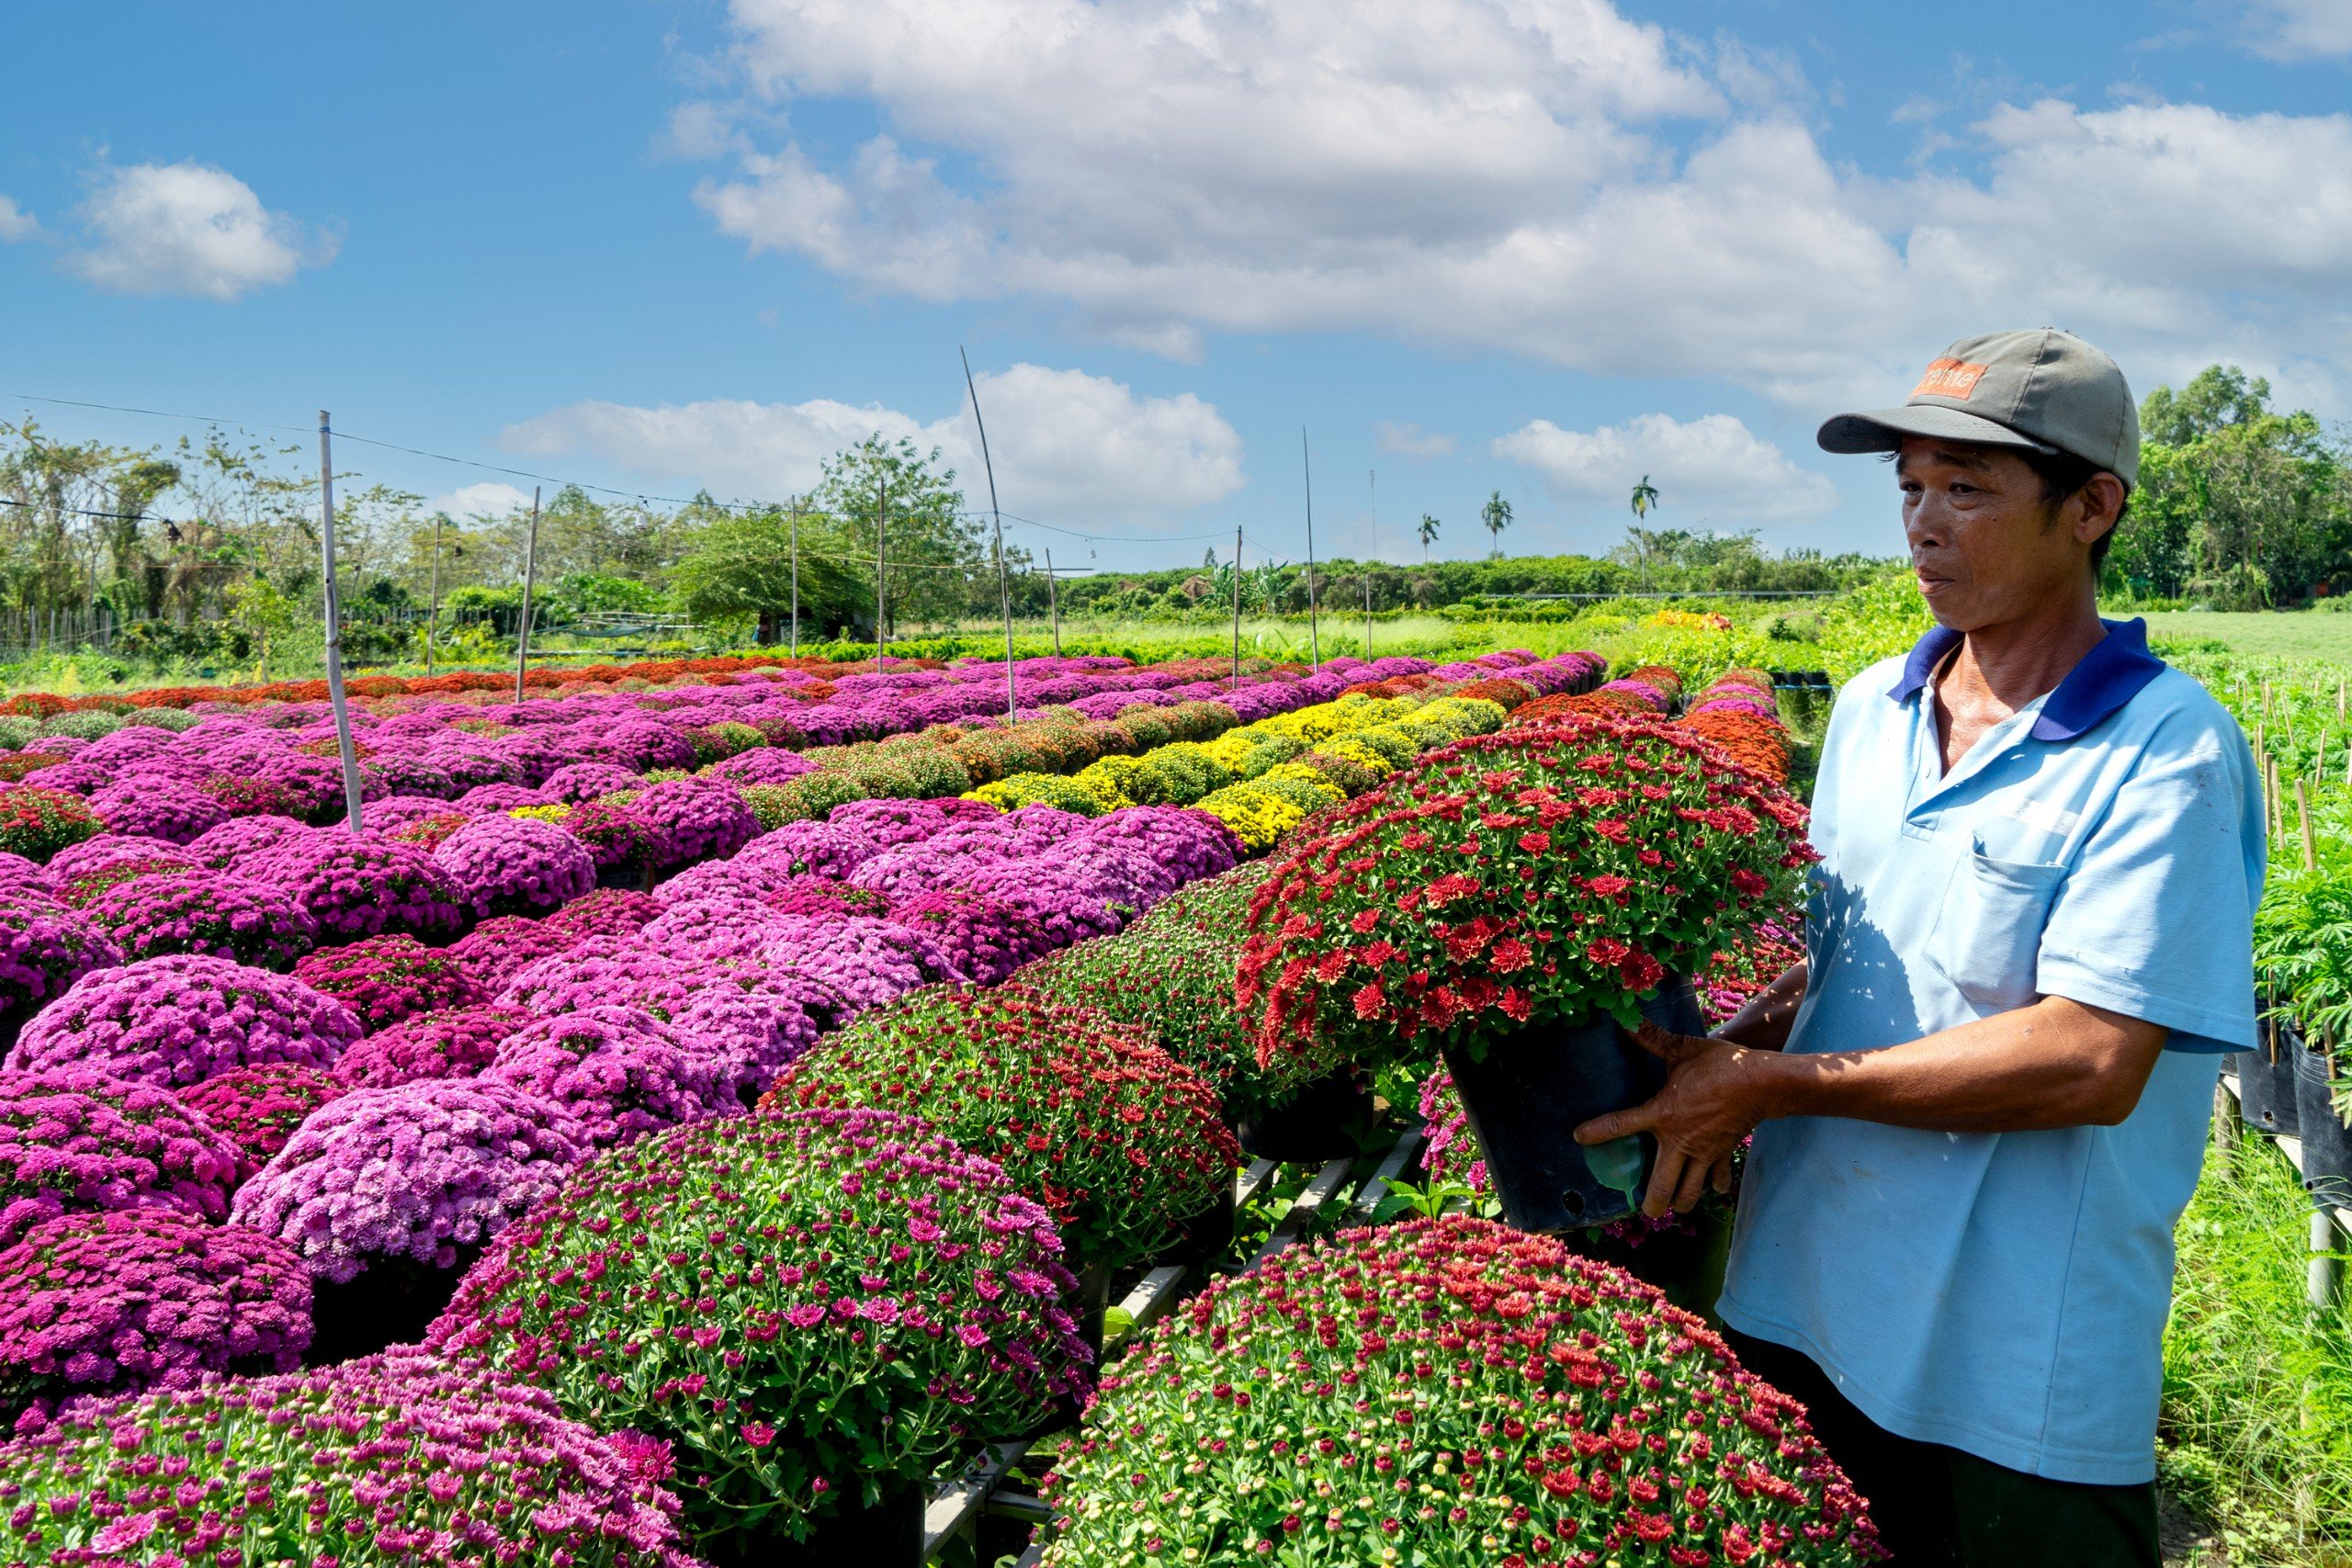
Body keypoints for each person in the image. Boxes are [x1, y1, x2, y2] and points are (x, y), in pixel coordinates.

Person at [1574, 329, 2265, 1566]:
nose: (1923, 524)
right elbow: (1865, 956)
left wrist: (1770, 1090)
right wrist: (1737, 1046)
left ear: (2091, 508)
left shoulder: (2166, 753)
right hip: (1804, 1303)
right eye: (1908, 487)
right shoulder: (1865, 712)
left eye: (1968, 488)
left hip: (2010, 1379)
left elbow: (2090, 1059)